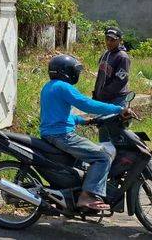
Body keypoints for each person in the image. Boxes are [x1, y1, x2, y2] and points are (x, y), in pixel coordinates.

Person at [40, 54, 131, 211]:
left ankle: (76, 192)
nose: (77, 74)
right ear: (66, 71)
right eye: (74, 71)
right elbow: (86, 103)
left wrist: (84, 121)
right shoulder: (63, 87)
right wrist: (118, 109)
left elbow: (58, 115)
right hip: (62, 135)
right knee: (102, 156)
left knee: (85, 162)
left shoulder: (48, 87)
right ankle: (86, 196)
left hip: (51, 134)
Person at [93, 26, 131, 107]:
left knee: (115, 119)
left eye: (113, 40)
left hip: (116, 99)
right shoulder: (105, 54)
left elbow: (121, 80)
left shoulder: (122, 57)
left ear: (120, 40)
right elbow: (100, 76)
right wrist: (96, 93)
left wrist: (104, 93)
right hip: (103, 97)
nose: (109, 42)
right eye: (107, 39)